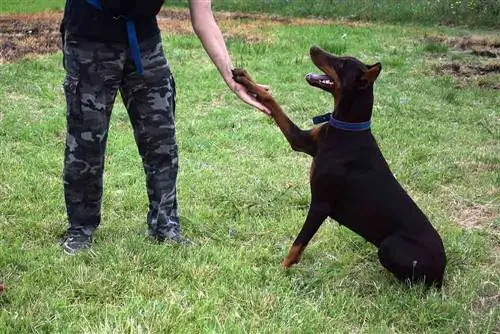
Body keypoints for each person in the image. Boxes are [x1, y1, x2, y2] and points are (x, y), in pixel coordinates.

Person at [59, 0, 270, 255]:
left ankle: (165, 226)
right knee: (87, 139)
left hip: (143, 37)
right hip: (89, 36)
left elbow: (202, 14)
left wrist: (232, 77)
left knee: (161, 137)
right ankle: (80, 229)